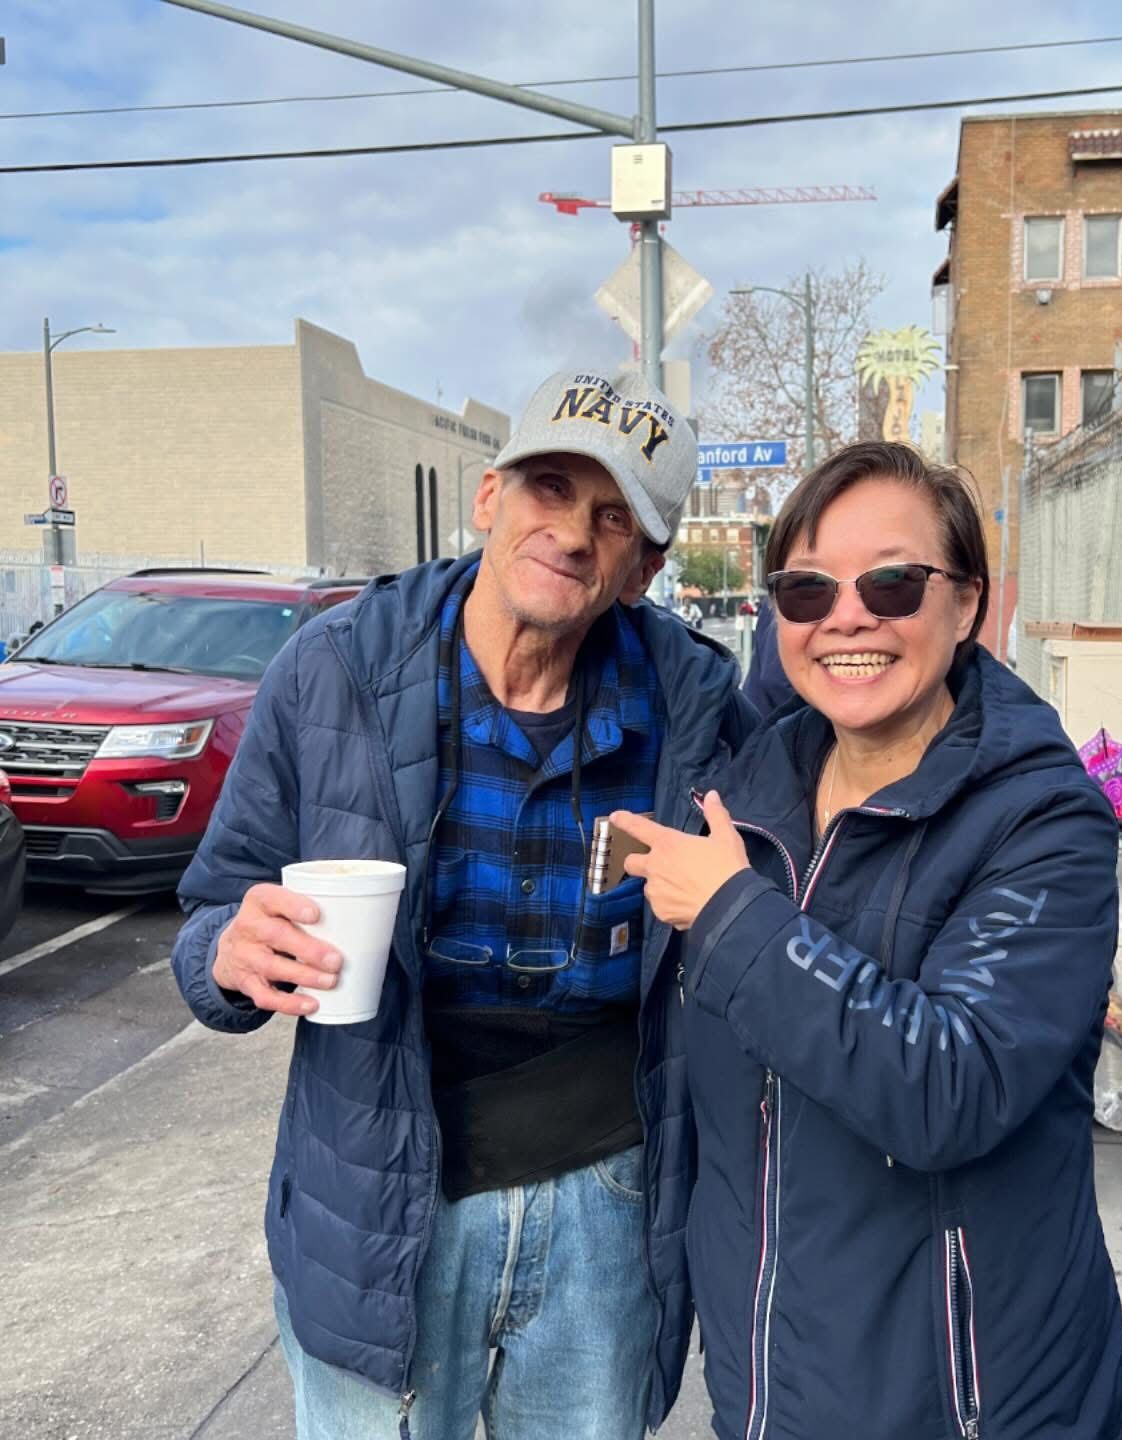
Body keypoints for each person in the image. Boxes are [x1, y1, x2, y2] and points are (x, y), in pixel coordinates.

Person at [171, 366, 755, 1440]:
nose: (572, 533)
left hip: (608, 1210)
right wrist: (227, 957)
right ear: (490, 496)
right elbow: (211, 912)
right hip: (375, 1200)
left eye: (614, 516)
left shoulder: (699, 704)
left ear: (645, 568)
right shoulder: (332, 669)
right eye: (549, 487)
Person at [612, 441, 1122, 1439]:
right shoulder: (745, 801)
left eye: (892, 582)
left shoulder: (1040, 822)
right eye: (807, 592)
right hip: (770, 1391)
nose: (847, 617)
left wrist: (731, 916)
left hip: (966, 1404)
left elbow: (953, 1085)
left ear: (969, 602)